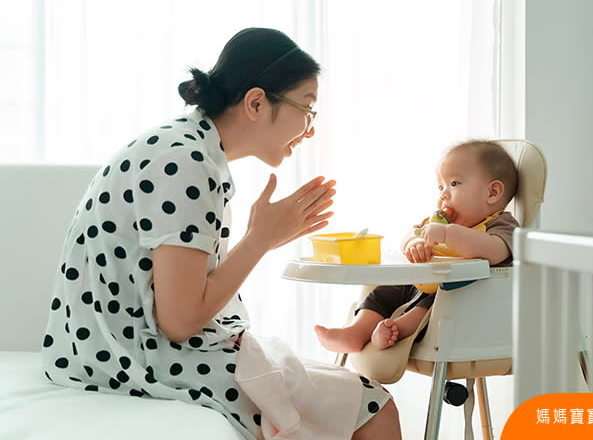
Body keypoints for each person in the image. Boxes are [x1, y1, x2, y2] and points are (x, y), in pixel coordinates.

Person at [40, 28, 401, 440]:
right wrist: (259, 240)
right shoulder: (186, 162)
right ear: (256, 102)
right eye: (307, 107)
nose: (310, 129)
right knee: (375, 408)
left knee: (341, 395)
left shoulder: (188, 146)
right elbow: (179, 322)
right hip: (127, 361)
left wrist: (264, 237)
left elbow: (181, 297)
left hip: (107, 351)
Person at [314, 140, 520, 353]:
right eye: (440, 187)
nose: (443, 195)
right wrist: (414, 243)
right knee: (383, 292)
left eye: (454, 184)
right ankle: (355, 332)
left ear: (492, 192)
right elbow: (410, 234)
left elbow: (495, 251)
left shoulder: (502, 225)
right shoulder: (438, 222)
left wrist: (449, 235)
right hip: (420, 283)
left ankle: (397, 329)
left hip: (461, 296)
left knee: (435, 304)